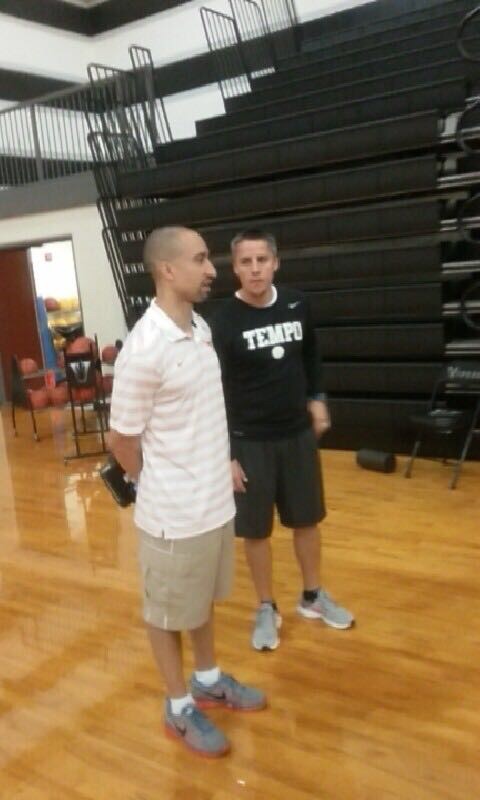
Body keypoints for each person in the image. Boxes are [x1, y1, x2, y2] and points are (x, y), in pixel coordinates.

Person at [108, 226, 266, 758]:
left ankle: (208, 677)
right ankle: (178, 705)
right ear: (167, 270)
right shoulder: (144, 348)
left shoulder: (198, 327)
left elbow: (202, 411)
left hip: (213, 506)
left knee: (199, 604)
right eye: (200, 260)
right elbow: (121, 440)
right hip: (172, 514)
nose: (212, 269)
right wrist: (149, 482)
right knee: (166, 613)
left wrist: (219, 461)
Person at [210, 229, 354, 651]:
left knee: (307, 520)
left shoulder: (297, 303)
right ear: (234, 268)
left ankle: (312, 596)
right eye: (246, 262)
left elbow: (312, 357)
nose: (255, 269)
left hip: (296, 436)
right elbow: (215, 389)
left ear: (276, 262)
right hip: (249, 440)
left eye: (262, 260)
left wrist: (318, 399)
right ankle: (265, 606)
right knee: (256, 531)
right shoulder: (223, 321)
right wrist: (228, 455)